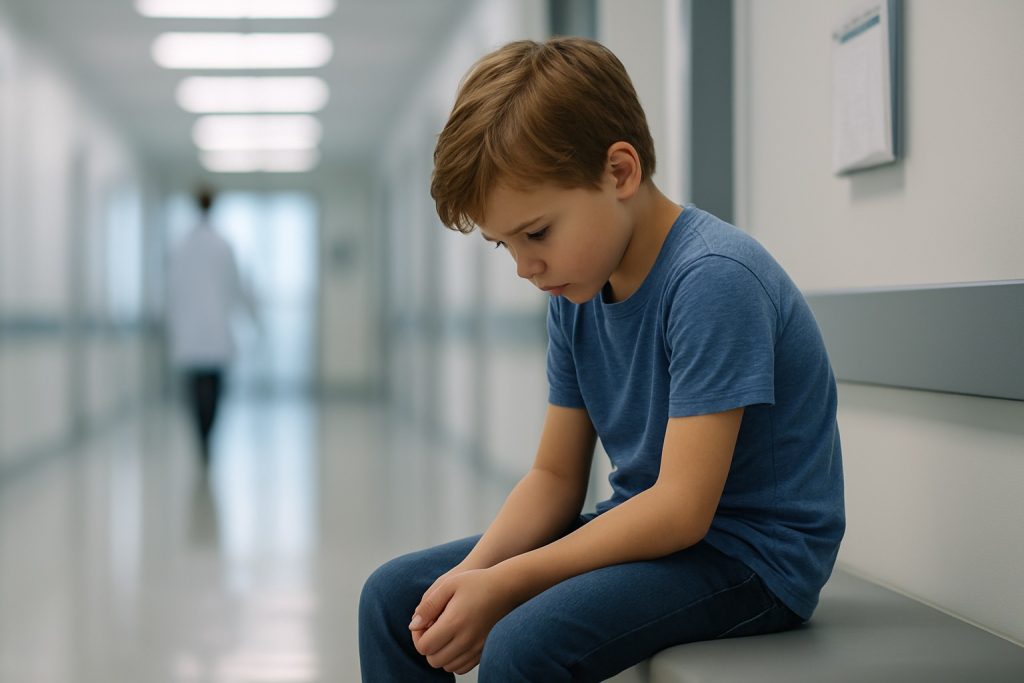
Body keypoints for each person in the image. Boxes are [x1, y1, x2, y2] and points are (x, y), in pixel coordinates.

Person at [359, 37, 844, 682]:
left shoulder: (713, 278)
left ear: (619, 172)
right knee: (396, 599)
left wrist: (506, 585)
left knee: (522, 645)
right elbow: (555, 479)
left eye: (536, 233)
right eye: (504, 245)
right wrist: (474, 574)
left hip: (751, 559)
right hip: (653, 532)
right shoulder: (575, 287)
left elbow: (680, 507)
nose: (526, 268)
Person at [167, 188, 257, 469]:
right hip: (217, 330)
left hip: (190, 333)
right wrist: (255, 319)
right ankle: (208, 440)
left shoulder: (181, 246)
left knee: (195, 392)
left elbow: (172, 291)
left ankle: (201, 441)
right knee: (213, 391)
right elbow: (238, 287)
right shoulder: (223, 246)